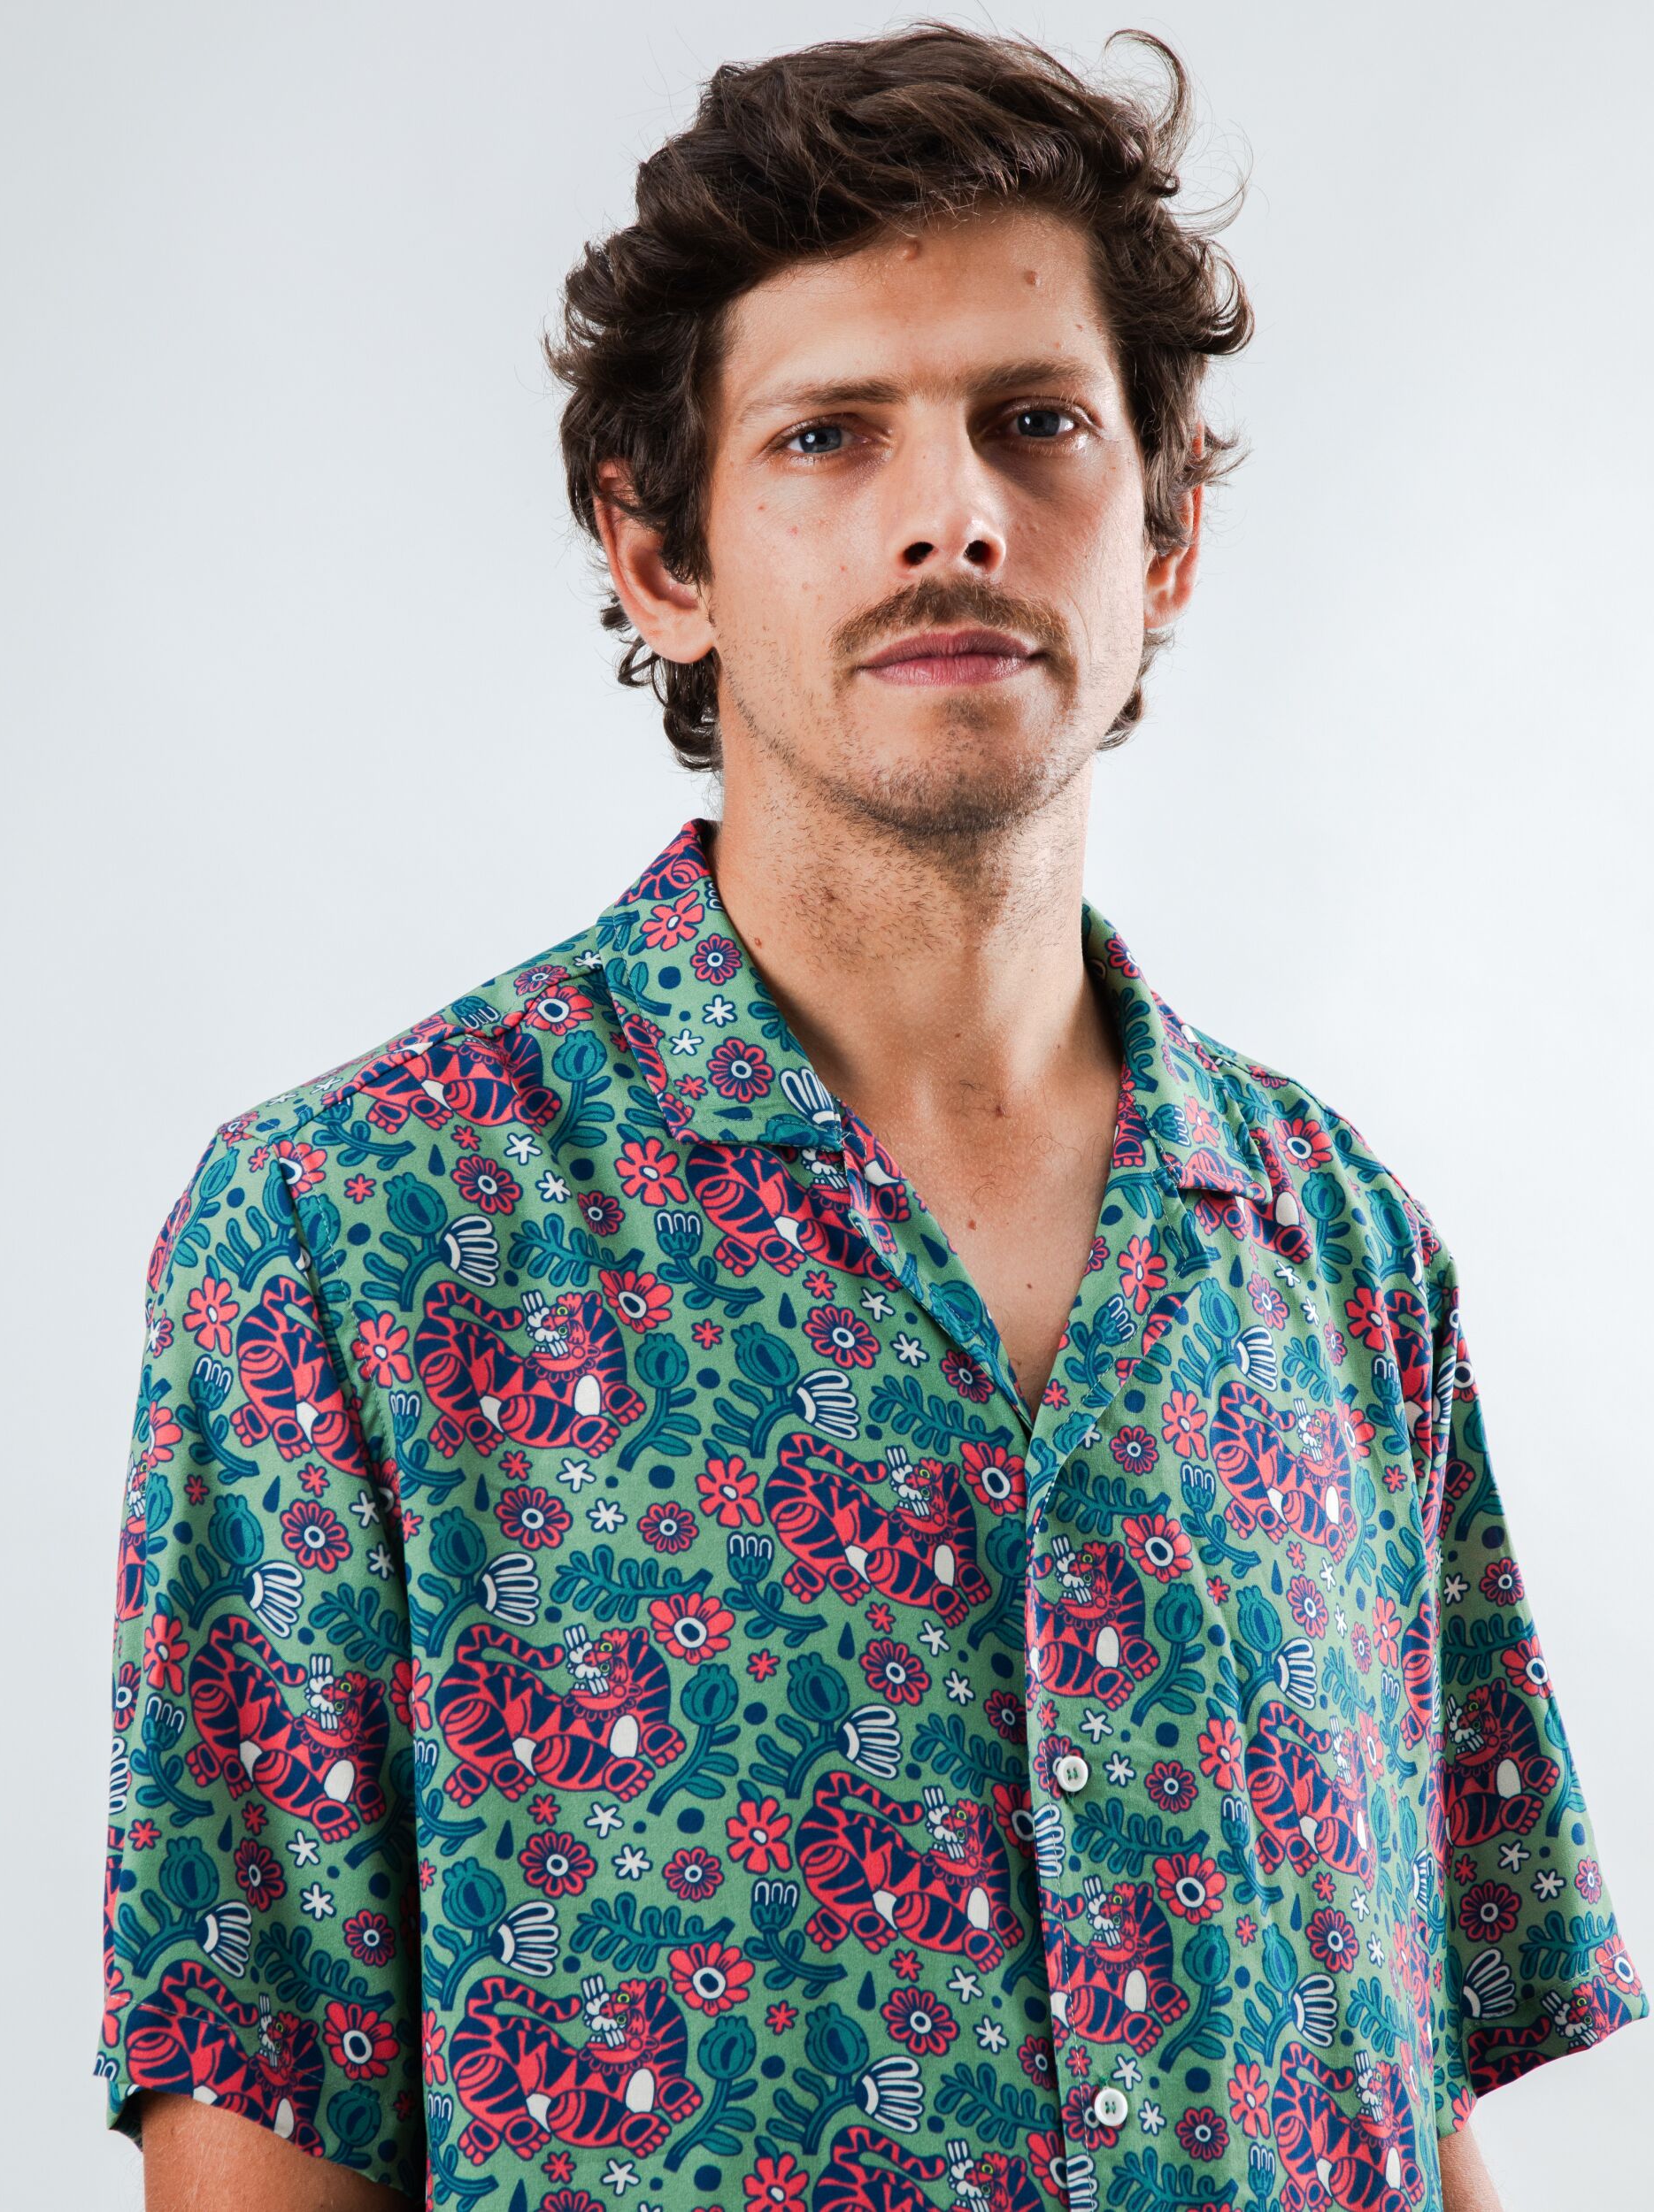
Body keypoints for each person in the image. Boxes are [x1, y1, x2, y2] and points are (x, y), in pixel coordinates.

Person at [94, 23, 1646, 2212]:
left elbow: (1421, 2065)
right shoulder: (347, 1235)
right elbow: (261, 2103)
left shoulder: (1336, 1245)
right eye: (829, 436)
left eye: (1037, 423)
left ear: (1166, 535)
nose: (955, 514)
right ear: (661, 555)